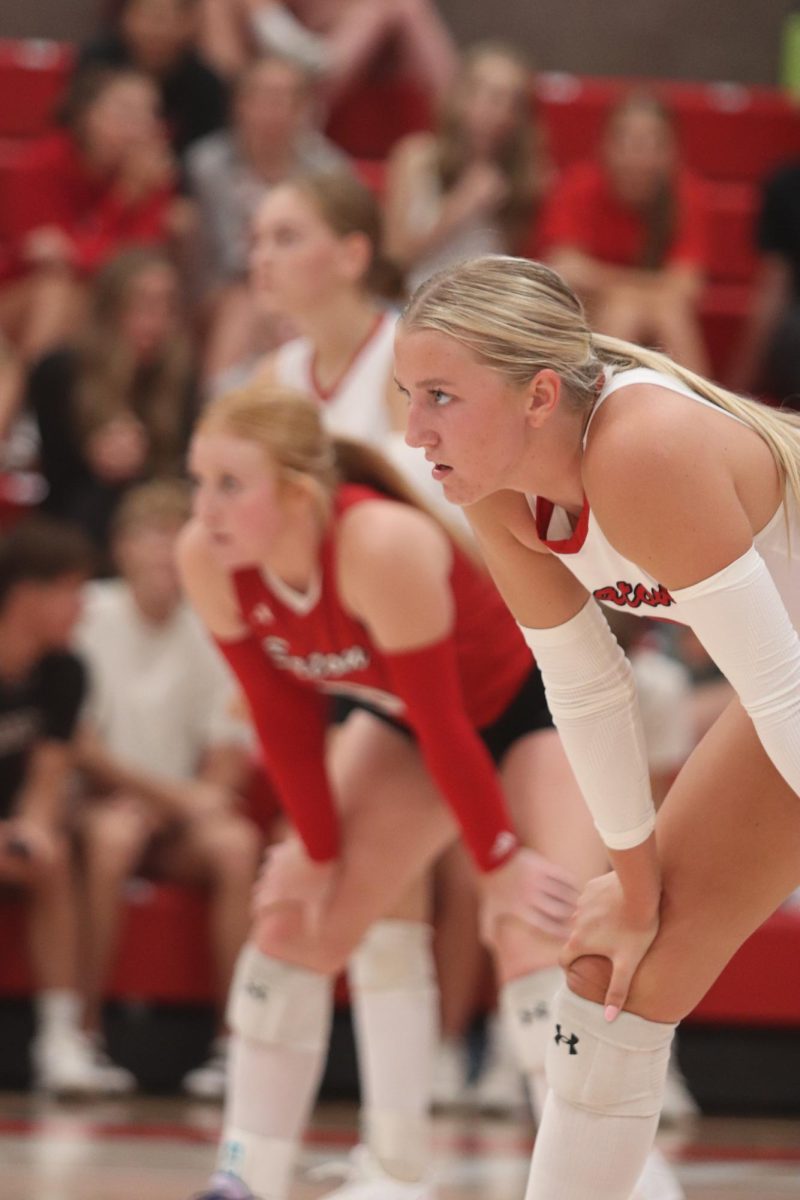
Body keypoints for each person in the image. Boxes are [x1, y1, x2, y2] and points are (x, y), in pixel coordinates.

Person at [394, 253, 800, 1200]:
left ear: (540, 394)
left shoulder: (641, 443)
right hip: (789, 694)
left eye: (442, 397)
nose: (414, 431)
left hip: (789, 695)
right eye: (410, 395)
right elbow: (585, 688)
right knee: (610, 978)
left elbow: (781, 696)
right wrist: (634, 887)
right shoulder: (494, 491)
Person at [177, 383, 609, 1200]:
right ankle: (245, 1179)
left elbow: (453, 724)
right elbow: (283, 721)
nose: (206, 509)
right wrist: (313, 848)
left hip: (526, 711)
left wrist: (499, 863)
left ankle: (609, 1182)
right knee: (289, 918)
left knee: (537, 941)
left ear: (300, 494)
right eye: (198, 483)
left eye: (230, 485)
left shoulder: (380, 540)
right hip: (406, 726)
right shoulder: (210, 559)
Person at [72, 480, 261, 1099]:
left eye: (175, 540)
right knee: (112, 837)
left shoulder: (212, 625)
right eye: (149, 537)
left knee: (235, 845)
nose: (163, 554)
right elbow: (78, 745)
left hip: (173, 819)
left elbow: (226, 755)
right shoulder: (89, 614)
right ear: (120, 548)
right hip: (99, 804)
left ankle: (235, 1045)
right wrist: (170, 798)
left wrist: (186, 805)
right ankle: (82, 1033)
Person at [0, 515, 132, 1096]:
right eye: (74, 591)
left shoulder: (65, 671)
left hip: (7, 829)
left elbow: (47, 779)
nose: (85, 608)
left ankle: (61, 1042)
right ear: (29, 593)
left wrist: (31, 830)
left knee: (46, 854)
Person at [185, 55, 348, 386]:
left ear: (305, 109)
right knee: (243, 303)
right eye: (264, 97)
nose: (276, 109)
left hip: (304, 283)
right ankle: (220, 410)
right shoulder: (207, 165)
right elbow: (222, 256)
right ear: (240, 105)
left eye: (288, 98)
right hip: (220, 288)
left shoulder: (330, 170)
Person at [0, 67, 178, 366]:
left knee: (134, 306)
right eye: (125, 111)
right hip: (18, 300)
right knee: (57, 292)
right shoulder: (37, 165)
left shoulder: (151, 177)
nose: (136, 126)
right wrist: (123, 199)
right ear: (86, 114)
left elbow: (132, 267)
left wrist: (124, 197)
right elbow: (37, 264)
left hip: (104, 301)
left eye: (147, 114)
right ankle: (36, 402)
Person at [28, 247, 197, 558]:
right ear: (110, 308)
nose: (157, 319)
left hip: (162, 532)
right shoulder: (61, 371)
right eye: (144, 304)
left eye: (168, 305)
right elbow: (55, 485)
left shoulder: (181, 376)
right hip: (82, 530)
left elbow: (185, 473)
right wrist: (98, 465)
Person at [540, 92, 710, 374]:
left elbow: (687, 287)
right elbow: (565, 270)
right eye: (627, 141)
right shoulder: (578, 186)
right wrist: (646, 289)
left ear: (672, 152)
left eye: (652, 143)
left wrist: (610, 283)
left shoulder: (687, 193)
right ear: (605, 146)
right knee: (631, 308)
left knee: (667, 311)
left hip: (660, 318)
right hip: (585, 319)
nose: (638, 155)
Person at [384, 42, 550, 293]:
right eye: (490, 96)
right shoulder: (415, 156)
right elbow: (394, 259)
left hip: (486, 306)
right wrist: (460, 206)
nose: (499, 111)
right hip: (417, 301)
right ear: (460, 96)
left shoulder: (526, 177)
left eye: (512, 101)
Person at [197, 0, 458, 106]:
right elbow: (222, 66)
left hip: (322, 78)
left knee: (405, 6)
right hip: (246, 95)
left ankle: (463, 119)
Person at [77, 0, 229, 158]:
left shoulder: (206, 85)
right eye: (147, 16)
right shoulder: (97, 62)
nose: (155, 29)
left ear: (190, 22)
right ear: (125, 17)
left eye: (165, 19)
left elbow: (206, 154)